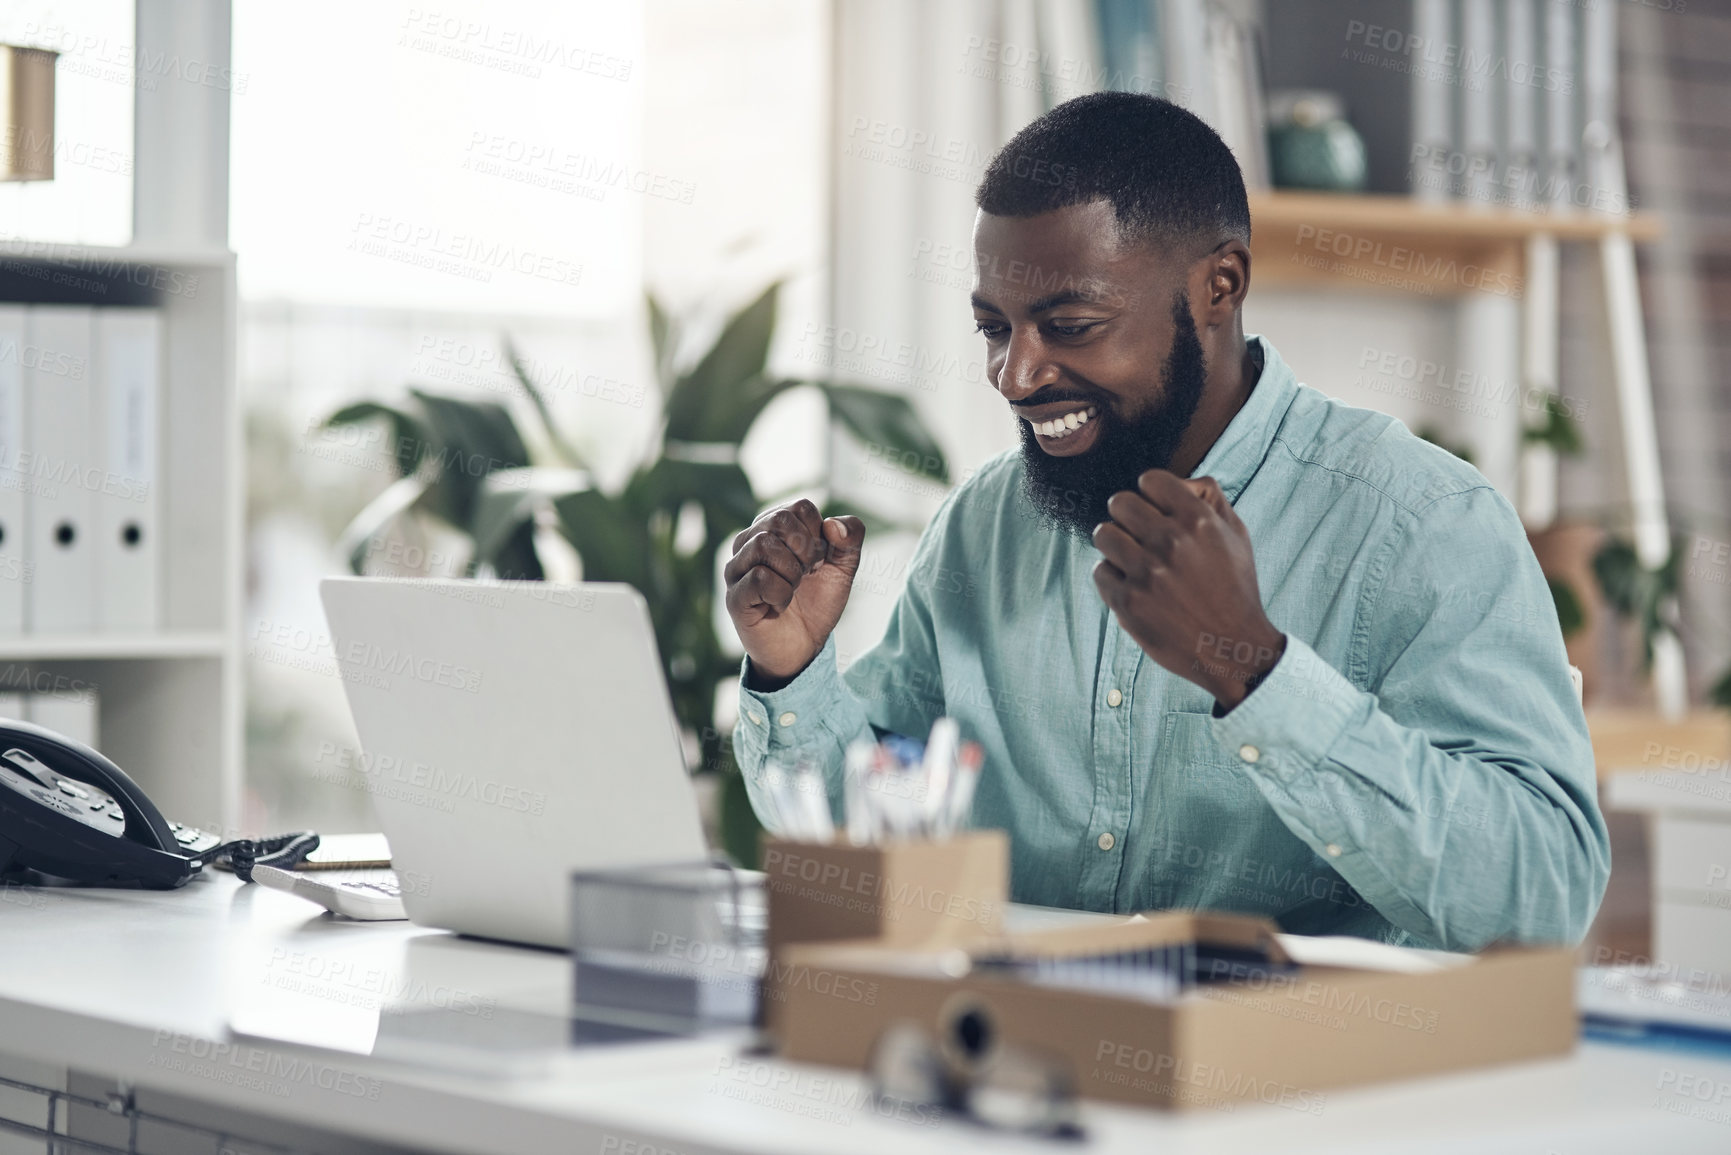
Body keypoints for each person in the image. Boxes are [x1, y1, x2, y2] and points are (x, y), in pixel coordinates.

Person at [724, 92, 1608, 952]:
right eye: (995, 328)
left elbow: (1540, 901)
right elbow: (883, 854)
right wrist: (791, 671)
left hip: (1312, 1082)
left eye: (1070, 325)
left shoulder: (1424, 525)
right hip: (1016, 1060)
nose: (1015, 374)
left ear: (1218, 286)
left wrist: (1256, 670)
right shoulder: (983, 525)